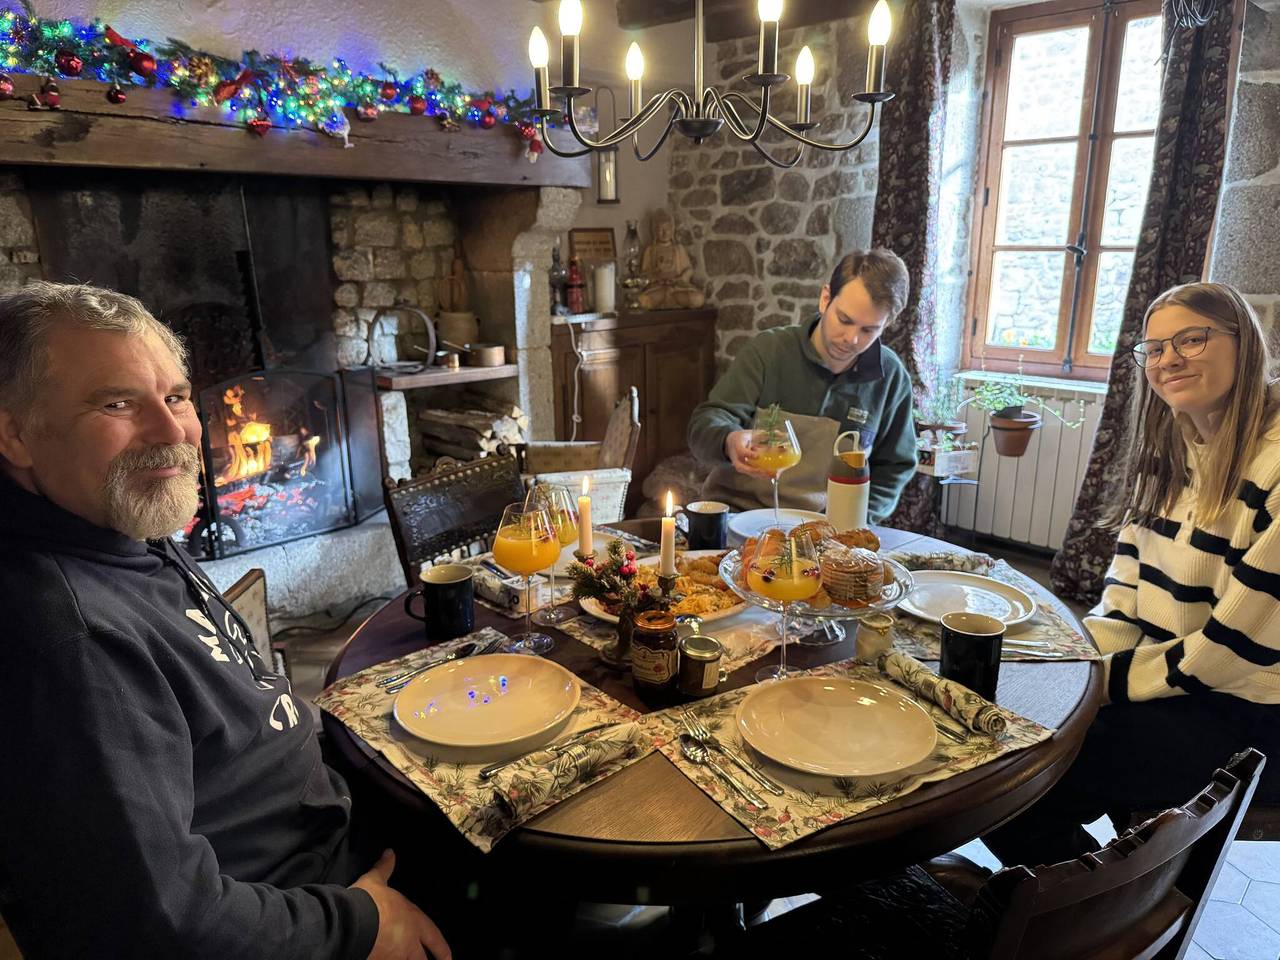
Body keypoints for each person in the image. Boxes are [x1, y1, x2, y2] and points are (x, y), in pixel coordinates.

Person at [0, 282, 450, 959]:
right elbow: (153, 922)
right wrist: (361, 926)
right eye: (116, 403)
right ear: (15, 432)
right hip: (309, 913)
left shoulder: (117, 530)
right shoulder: (71, 642)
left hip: (330, 836)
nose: (172, 431)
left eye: (177, 397)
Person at [984, 281, 1280, 867]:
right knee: (1011, 717)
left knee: (1015, 774)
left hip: (1251, 715)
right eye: (1155, 349)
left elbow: (1229, 653)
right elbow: (1122, 599)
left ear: (1244, 344)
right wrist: (1069, 669)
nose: (1169, 359)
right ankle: (1090, 891)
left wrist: (1104, 687)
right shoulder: (1169, 448)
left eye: (1192, 340)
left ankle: (1093, 909)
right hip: (1172, 681)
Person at [686, 248, 917, 520]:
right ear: (825, 298)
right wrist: (728, 440)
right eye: (844, 320)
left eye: (869, 330)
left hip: (823, 534)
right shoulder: (768, 351)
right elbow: (705, 423)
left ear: (886, 324)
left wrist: (855, 519)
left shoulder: (890, 378)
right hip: (737, 516)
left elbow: (894, 466)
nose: (851, 339)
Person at [637, 208, 706, 310]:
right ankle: (666, 299)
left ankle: (671, 299)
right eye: (661, 230)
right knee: (641, 301)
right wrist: (656, 277)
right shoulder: (650, 250)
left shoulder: (678, 249)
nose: (664, 233)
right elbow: (644, 274)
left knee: (698, 298)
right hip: (658, 288)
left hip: (677, 288)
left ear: (672, 230)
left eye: (667, 229)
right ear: (655, 231)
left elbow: (689, 269)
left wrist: (681, 278)